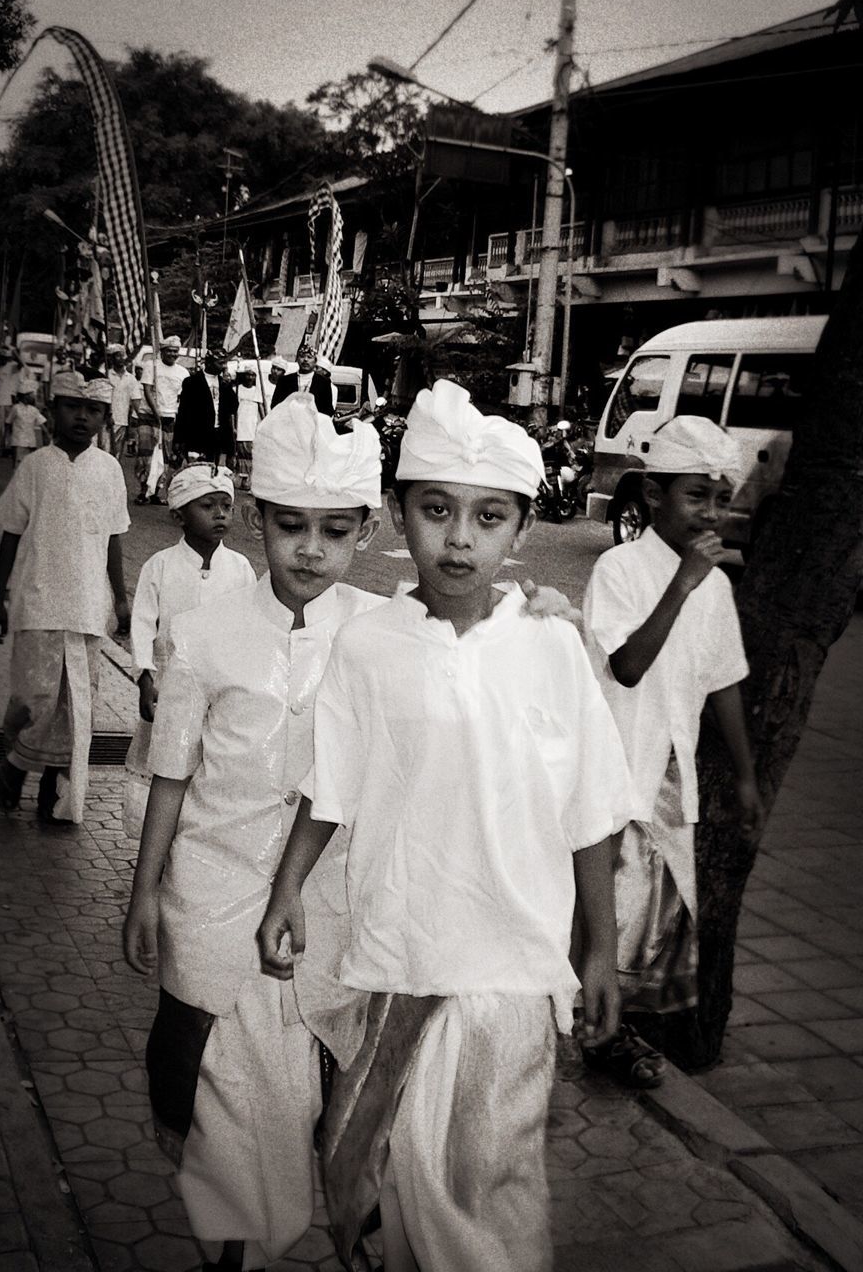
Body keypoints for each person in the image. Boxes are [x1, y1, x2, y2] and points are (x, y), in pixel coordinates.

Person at [258, 378, 633, 1272]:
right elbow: (333, 784)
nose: (460, 538)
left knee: (487, 1181)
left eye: (490, 517)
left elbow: (591, 808)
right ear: (399, 512)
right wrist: (286, 887)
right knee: (393, 1171)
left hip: (511, 969)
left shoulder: (550, 647)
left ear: (522, 528)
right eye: (437, 510)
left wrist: (602, 948)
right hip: (401, 955)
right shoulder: (369, 646)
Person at [122, 392, 383, 1272]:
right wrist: (144, 893)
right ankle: (227, 1253)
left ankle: (263, 1236)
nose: (312, 550)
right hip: (207, 891)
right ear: (258, 521)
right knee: (219, 1093)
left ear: (365, 532)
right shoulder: (203, 633)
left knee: (285, 1097)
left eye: (336, 531)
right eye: (292, 526)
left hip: (323, 911)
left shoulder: (379, 636)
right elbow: (171, 771)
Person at [581, 414, 764, 1087]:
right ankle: (601, 1031)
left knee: (662, 921)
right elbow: (627, 666)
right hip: (619, 775)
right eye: (696, 495)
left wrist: (745, 778)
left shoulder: (715, 586)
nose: (710, 512)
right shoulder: (621, 569)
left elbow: (724, 683)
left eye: (720, 497)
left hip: (673, 776)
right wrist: (681, 583)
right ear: (655, 495)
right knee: (616, 914)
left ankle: (617, 1032)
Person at [0, 373, 130, 827]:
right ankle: (14, 765)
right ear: (53, 409)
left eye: (92, 410)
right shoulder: (36, 466)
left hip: (88, 605)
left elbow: (113, 539)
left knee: (75, 704)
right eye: (71, 407)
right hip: (38, 599)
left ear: (105, 418)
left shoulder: (108, 470)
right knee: (33, 698)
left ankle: (51, 784)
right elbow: (11, 533)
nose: (82, 417)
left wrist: (120, 600)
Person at [122, 463, 256, 839]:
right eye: (208, 506)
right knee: (166, 766)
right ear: (179, 515)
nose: (220, 514)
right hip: (170, 692)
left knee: (209, 769)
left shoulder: (241, 568)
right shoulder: (160, 566)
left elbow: (249, 627)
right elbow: (144, 624)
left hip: (222, 693)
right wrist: (145, 678)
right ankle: (157, 844)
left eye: (225, 506)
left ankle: (197, 840)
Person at [139, 335, 189, 505]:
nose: (173, 354)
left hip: (169, 416)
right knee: (146, 453)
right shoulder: (151, 365)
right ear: (162, 351)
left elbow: (183, 398)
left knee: (165, 456)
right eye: (169, 351)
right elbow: (146, 389)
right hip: (149, 414)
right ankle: (143, 491)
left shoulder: (183, 373)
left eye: (176, 351)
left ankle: (156, 492)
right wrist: (156, 411)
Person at [173, 348, 237, 466]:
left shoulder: (224, 384)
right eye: (220, 363)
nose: (223, 367)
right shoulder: (191, 382)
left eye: (224, 363)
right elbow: (183, 412)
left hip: (217, 434)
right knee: (198, 471)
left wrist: (228, 386)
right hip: (197, 435)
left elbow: (232, 408)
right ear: (209, 363)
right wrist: (178, 439)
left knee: (214, 473)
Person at [270, 343, 334, 415]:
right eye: (302, 356)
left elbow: (328, 410)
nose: (305, 360)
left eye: (309, 357)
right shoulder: (285, 380)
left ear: (315, 361)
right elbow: (275, 405)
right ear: (297, 359)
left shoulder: (323, 382)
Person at [106, 343, 143, 463]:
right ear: (111, 358)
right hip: (105, 421)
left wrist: (142, 418)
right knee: (104, 451)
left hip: (121, 421)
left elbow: (136, 400)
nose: (121, 359)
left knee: (116, 455)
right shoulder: (106, 375)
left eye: (123, 356)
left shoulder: (131, 379)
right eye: (118, 356)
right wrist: (107, 414)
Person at [233, 363, 264, 490]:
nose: (250, 377)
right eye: (248, 375)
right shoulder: (237, 390)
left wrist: (264, 422)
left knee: (250, 452)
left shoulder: (257, 391)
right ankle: (242, 477)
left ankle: (248, 479)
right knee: (241, 451)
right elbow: (233, 410)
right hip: (241, 423)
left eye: (252, 375)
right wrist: (234, 426)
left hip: (252, 424)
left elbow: (261, 408)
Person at [6, 384, 46, 465]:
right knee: (17, 465)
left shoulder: (34, 410)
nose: (33, 397)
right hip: (18, 441)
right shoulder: (16, 408)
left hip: (31, 442)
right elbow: (8, 422)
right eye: (31, 395)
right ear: (25, 396)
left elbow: (42, 424)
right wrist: (7, 439)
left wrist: (48, 437)